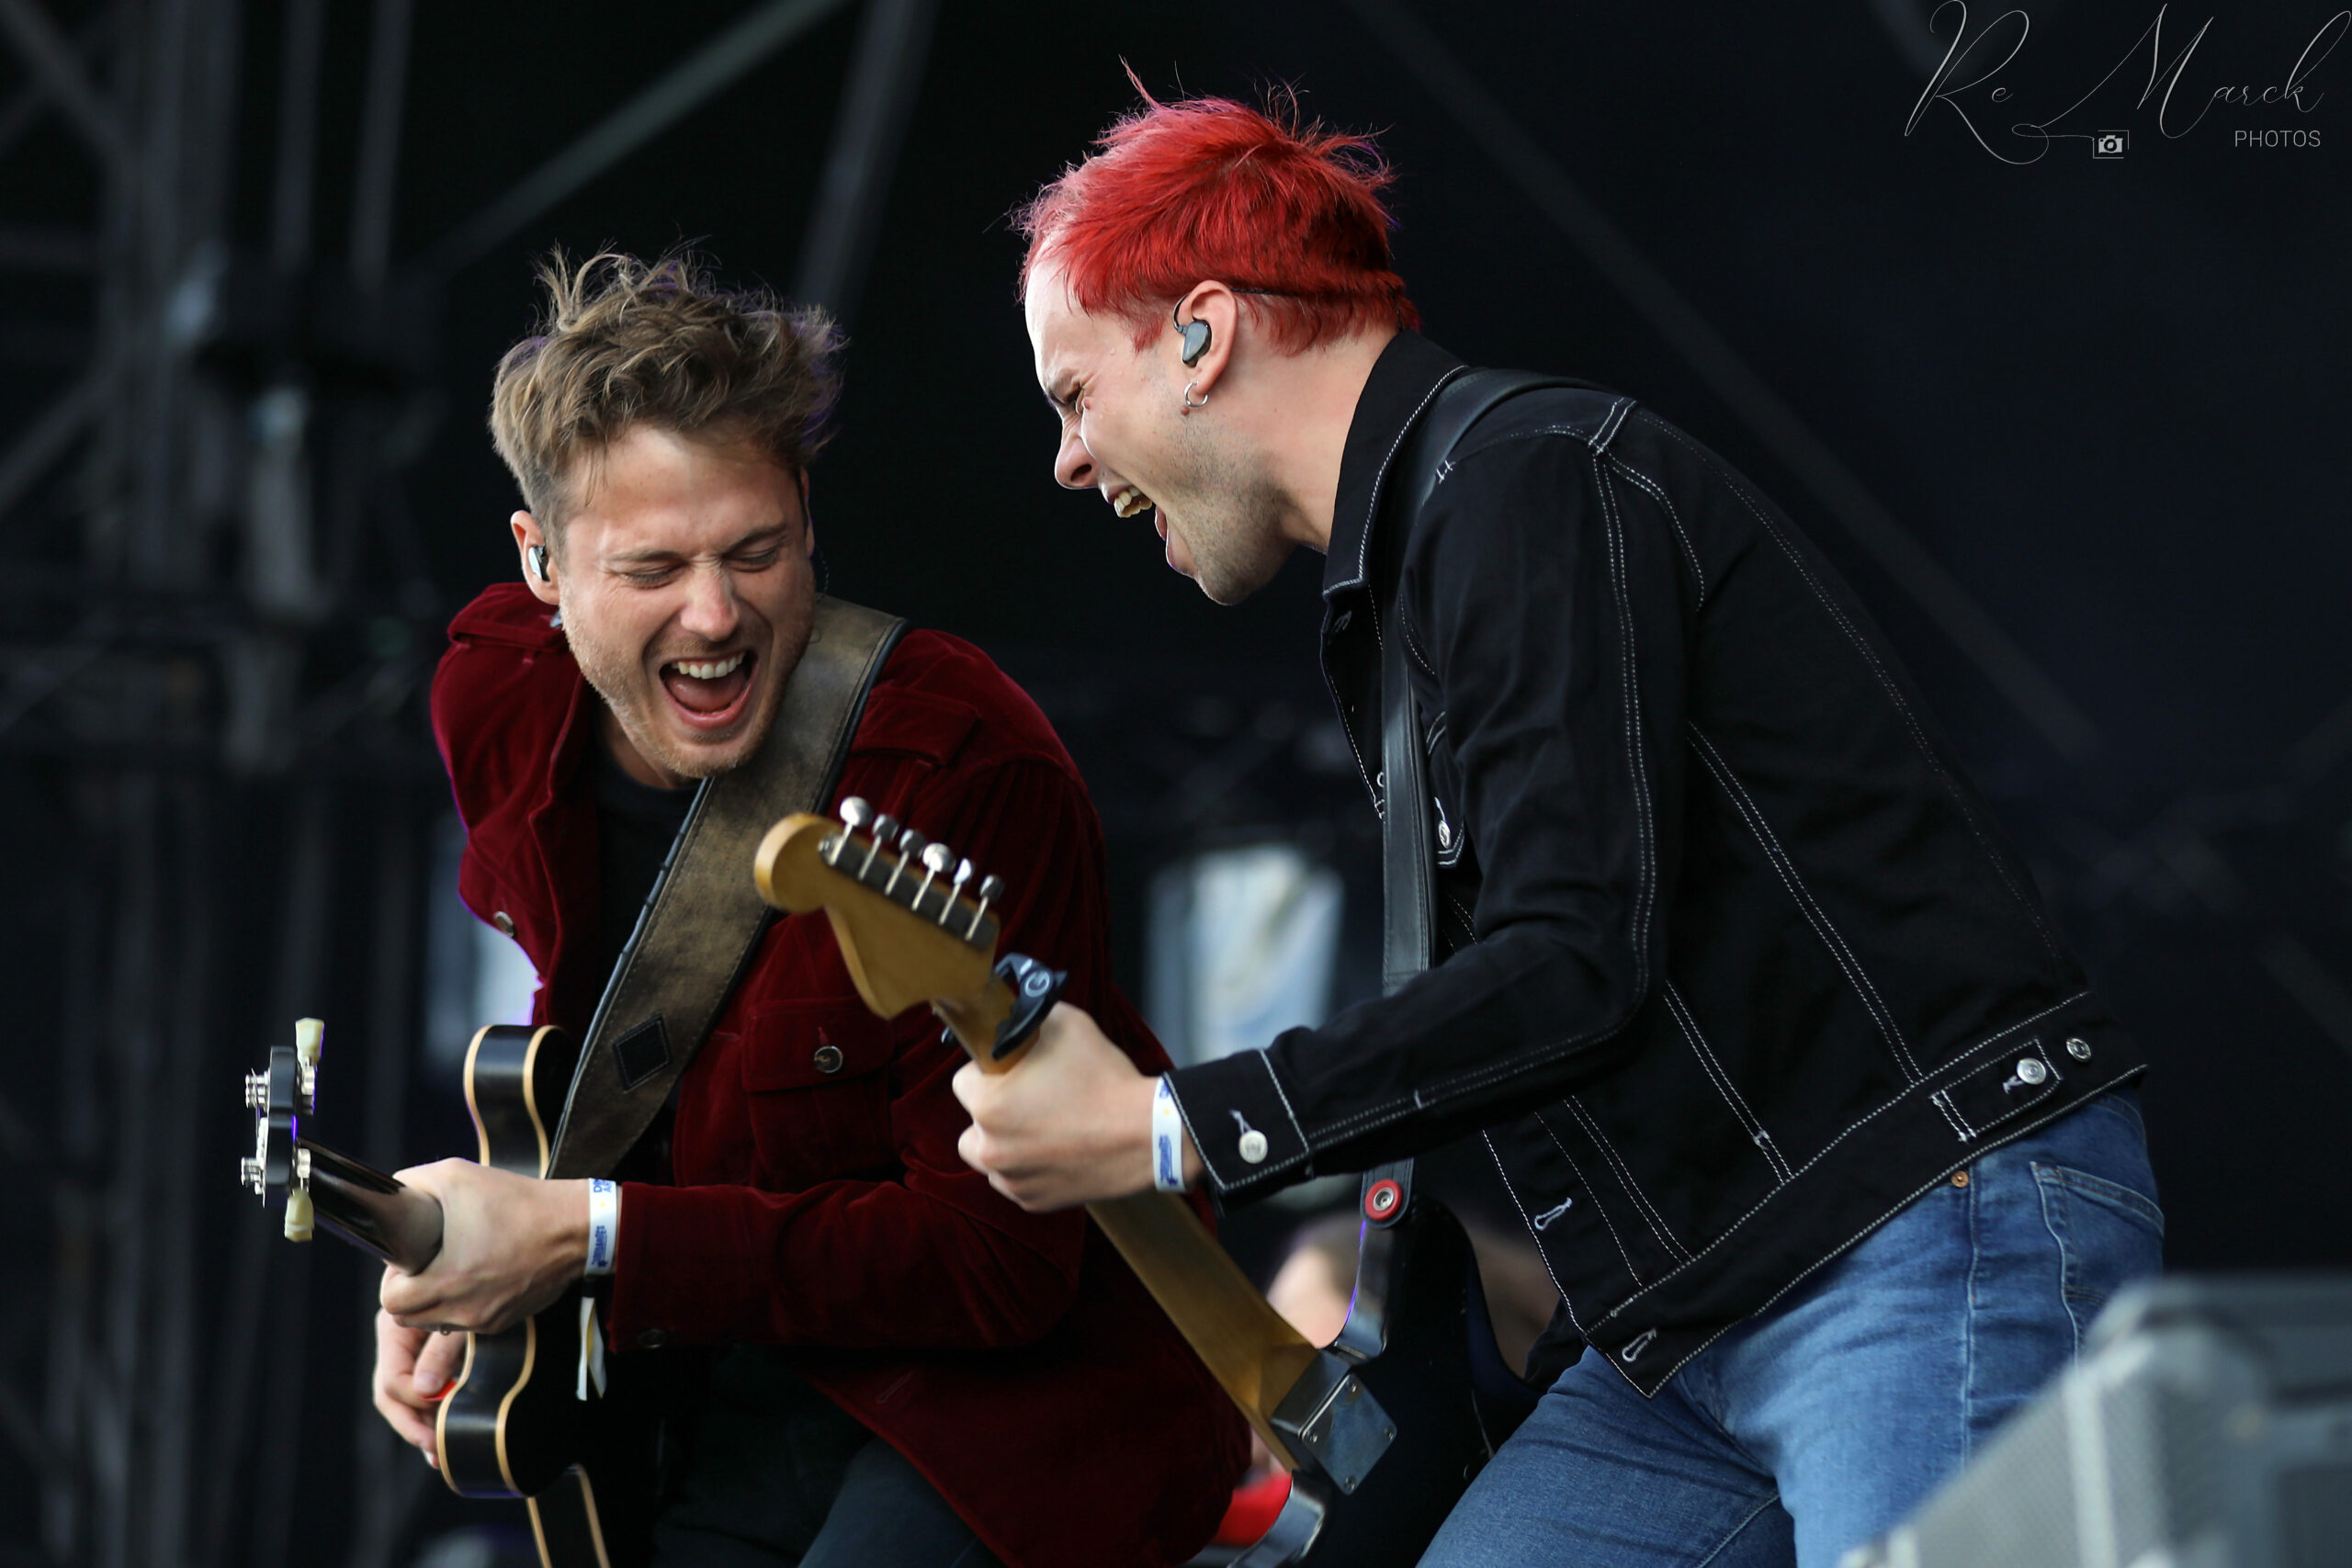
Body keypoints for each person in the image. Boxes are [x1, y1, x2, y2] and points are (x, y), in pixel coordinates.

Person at [953, 91, 2165, 1567]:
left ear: (1202, 335)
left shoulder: (1526, 478)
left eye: (1076, 395)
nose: (1070, 461)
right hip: (1688, 1325)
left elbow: (1574, 957)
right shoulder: (1411, 582)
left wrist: (1176, 1128)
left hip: (1913, 1228)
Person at [367, 250, 1247, 1568]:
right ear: (540, 565)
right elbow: (608, 1068)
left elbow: (993, 1270)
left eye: (756, 551)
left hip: (1009, 1412)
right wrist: (469, 1254)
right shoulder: (498, 703)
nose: (716, 616)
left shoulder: (959, 761)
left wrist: (583, 1235)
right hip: (723, 1376)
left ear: (808, 517)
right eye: (653, 567)